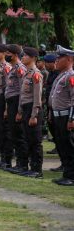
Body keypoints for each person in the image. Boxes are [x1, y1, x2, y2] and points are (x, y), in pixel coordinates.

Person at [16, 47, 43, 178]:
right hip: (26, 109)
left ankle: (37, 169)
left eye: (26, 56)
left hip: (33, 109)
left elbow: (37, 97)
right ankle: (31, 167)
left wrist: (34, 115)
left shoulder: (36, 74)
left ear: (33, 58)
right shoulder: (27, 73)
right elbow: (23, 95)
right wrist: (20, 111)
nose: (23, 57)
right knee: (27, 139)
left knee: (35, 141)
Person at [49, 45, 74, 186]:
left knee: (69, 147)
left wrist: (72, 118)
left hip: (66, 117)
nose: (57, 60)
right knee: (62, 146)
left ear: (69, 59)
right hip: (58, 115)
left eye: (60, 57)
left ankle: (72, 176)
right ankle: (67, 174)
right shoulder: (61, 75)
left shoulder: (71, 76)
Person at [4, 44, 28, 174]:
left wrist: (19, 110)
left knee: (19, 135)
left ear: (15, 55)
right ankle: (19, 162)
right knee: (14, 134)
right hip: (11, 103)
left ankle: (23, 164)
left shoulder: (20, 69)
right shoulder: (13, 68)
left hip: (17, 103)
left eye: (8, 53)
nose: (6, 55)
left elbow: (22, 92)